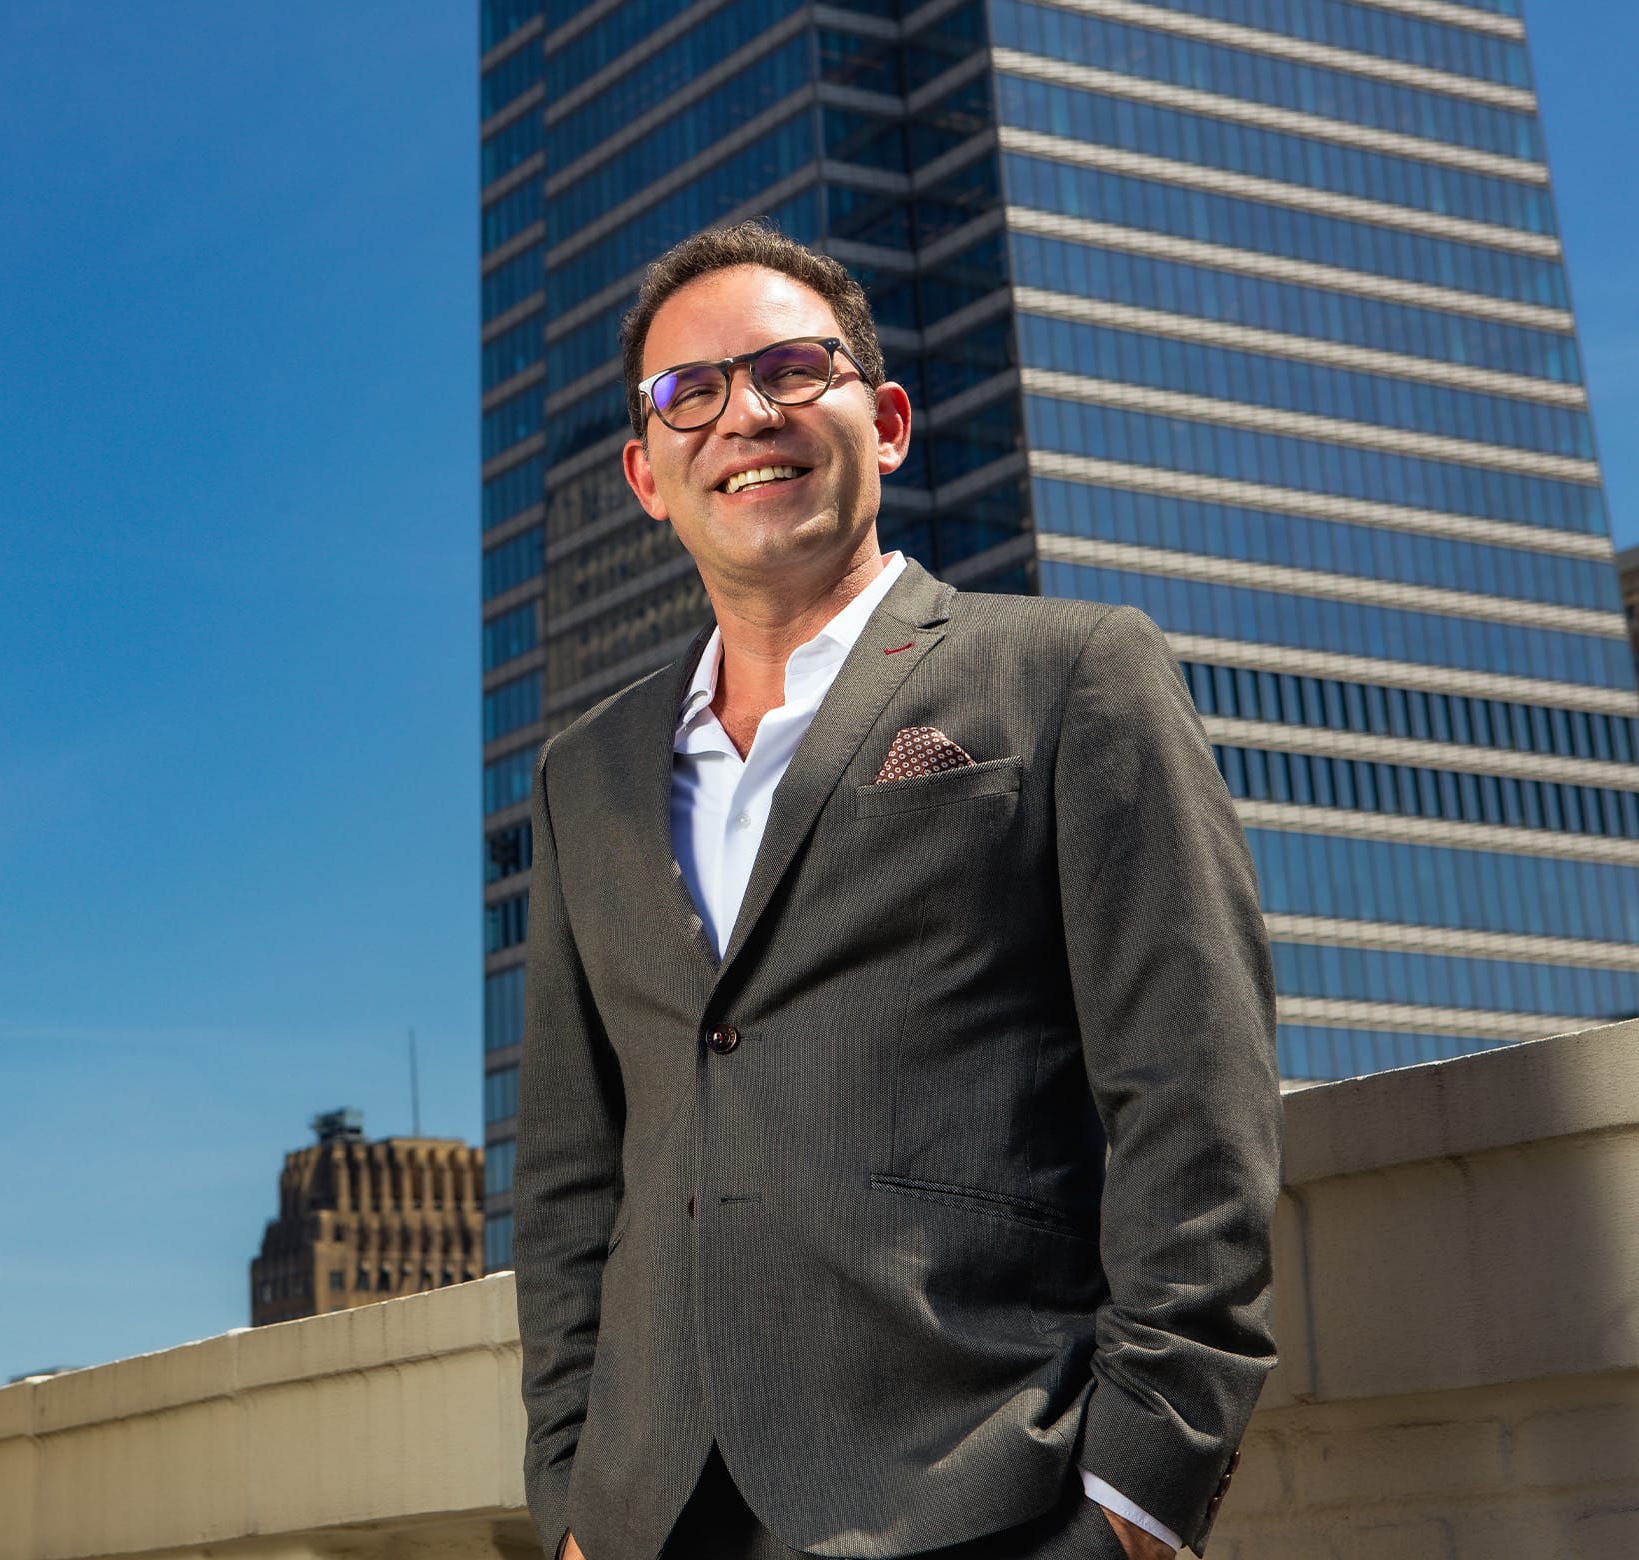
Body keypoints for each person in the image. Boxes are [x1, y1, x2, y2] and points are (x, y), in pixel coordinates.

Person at [512, 220, 1280, 1560]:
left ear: (891, 421)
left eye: (791, 372)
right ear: (645, 474)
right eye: (689, 394)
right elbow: (575, 1183)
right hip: (656, 1516)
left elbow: (1193, 1086)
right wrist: (573, 1499)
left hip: (986, 1493)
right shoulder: (585, 781)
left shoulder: (1071, 673)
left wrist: (1141, 1493)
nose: (744, 414)